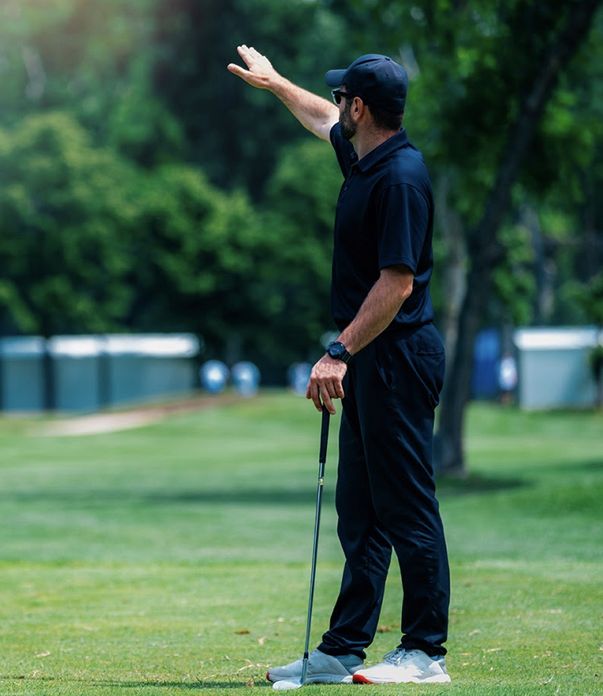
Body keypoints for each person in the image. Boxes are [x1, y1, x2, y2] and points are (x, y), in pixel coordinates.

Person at [228, 48, 451, 685]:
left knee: (407, 507)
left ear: (363, 106)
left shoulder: (400, 177)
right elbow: (317, 112)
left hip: (398, 357)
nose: (339, 109)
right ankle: (343, 649)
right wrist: (274, 83)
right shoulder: (365, 154)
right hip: (371, 357)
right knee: (361, 511)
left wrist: (339, 351)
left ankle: (425, 651)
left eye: (346, 99)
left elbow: (398, 283)